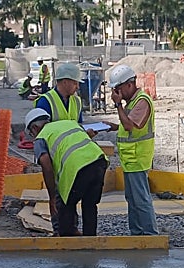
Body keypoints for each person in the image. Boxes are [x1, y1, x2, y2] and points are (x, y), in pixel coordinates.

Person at [24, 108, 107, 237]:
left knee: (65, 204)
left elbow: (46, 164)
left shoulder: (41, 138)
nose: (33, 136)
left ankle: (67, 243)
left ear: (34, 128)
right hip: (99, 161)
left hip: (78, 168)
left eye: (31, 133)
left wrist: (52, 196)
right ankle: (90, 243)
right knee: (90, 205)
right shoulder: (68, 123)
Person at [104, 64, 158, 236]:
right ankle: (137, 233)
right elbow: (126, 125)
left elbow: (129, 126)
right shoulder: (133, 102)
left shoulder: (142, 101)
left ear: (129, 84)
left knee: (141, 200)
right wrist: (113, 126)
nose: (116, 94)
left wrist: (118, 105)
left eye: (118, 89)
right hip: (130, 160)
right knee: (132, 199)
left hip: (138, 159)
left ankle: (149, 234)